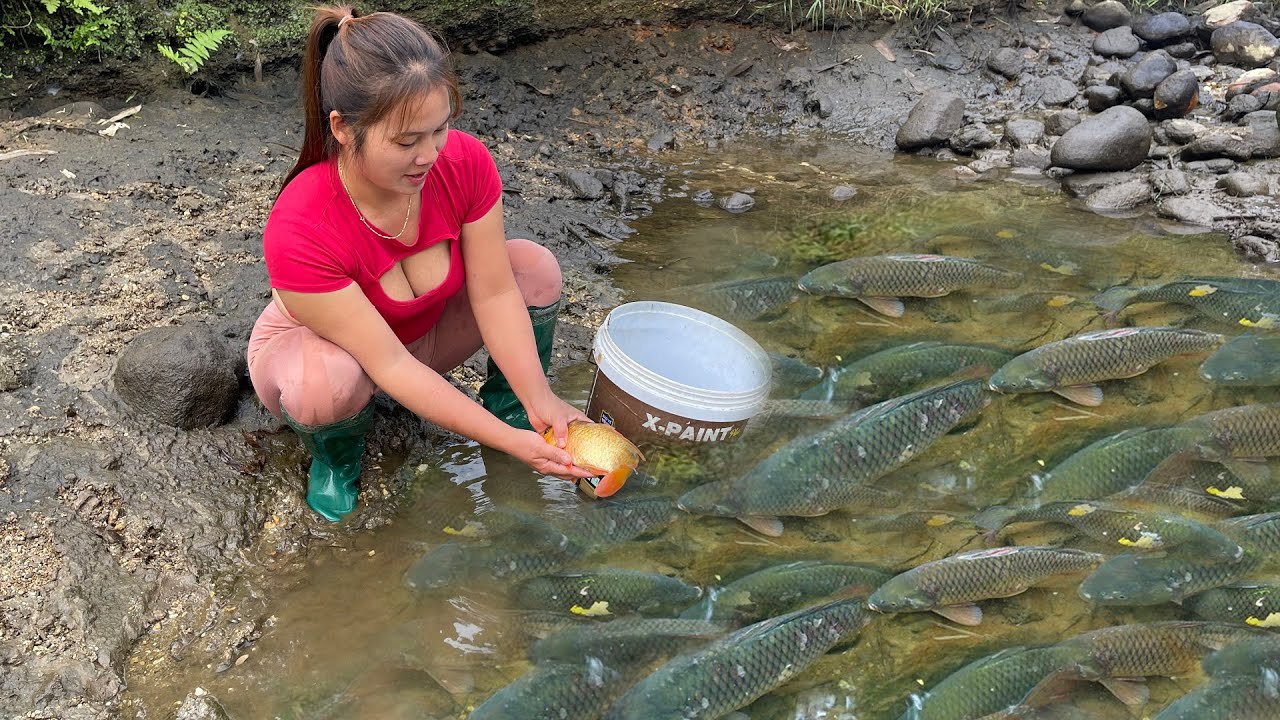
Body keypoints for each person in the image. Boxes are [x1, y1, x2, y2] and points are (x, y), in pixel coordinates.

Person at [247, 5, 595, 521]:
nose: (429, 155)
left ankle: (517, 409)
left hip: (423, 337)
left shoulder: (464, 163)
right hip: (333, 356)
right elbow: (387, 363)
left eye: (440, 130)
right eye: (407, 141)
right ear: (343, 129)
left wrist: (540, 398)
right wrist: (505, 443)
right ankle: (336, 461)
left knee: (532, 268)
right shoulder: (301, 227)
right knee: (325, 383)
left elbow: (496, 293)